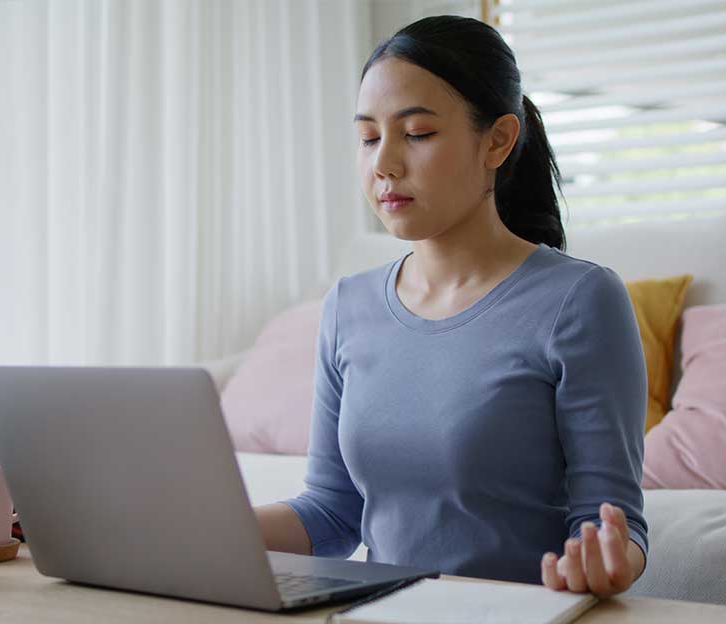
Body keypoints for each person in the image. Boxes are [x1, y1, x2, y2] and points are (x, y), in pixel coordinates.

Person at [253, 15, 647, 598]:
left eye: (416, 133)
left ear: (497, 140)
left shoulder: (580, 301)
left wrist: (608, 564)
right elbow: (333, 514)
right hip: (376, 613)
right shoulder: (347, 305)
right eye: (367, 137)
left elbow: (612, 522)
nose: (383, 162)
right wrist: (194, 530)